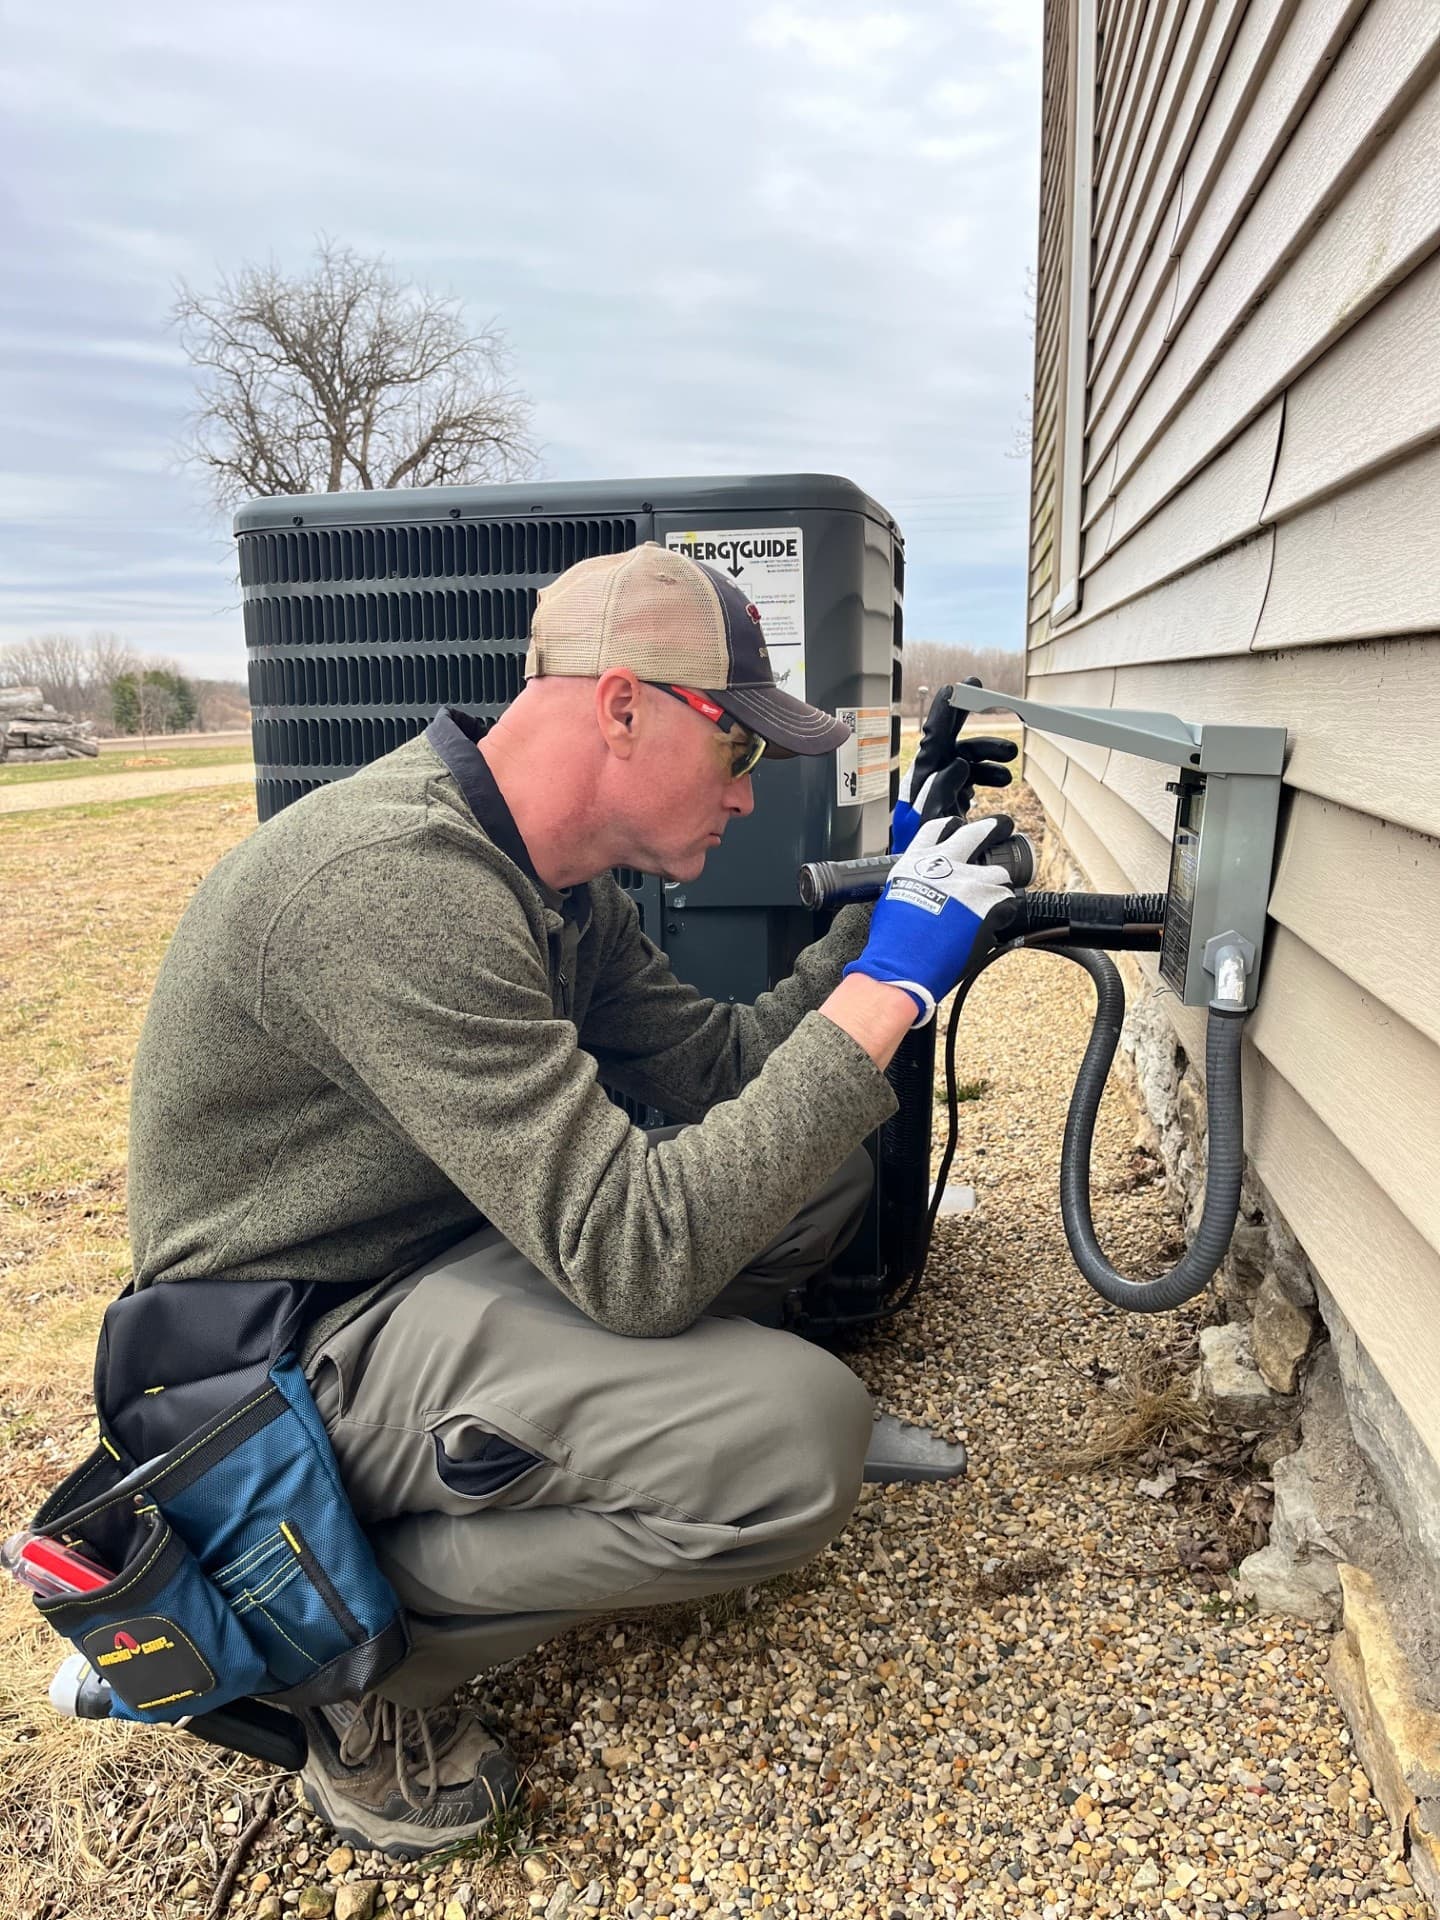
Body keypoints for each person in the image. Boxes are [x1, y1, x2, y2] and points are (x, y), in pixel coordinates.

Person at [125, 542, 1017, 1858]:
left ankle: (614, 1431)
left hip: (434, 1251)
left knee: (814, 1168)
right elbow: (634, 1259)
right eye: (741, 752)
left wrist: (870, 929)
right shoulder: (395, 886)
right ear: (621, 707)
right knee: (789, 1439)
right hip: (279, 1354)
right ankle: (309, 1639)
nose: (750, 791)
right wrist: (894, 992)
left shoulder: (553, 886)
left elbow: (716, 1068)